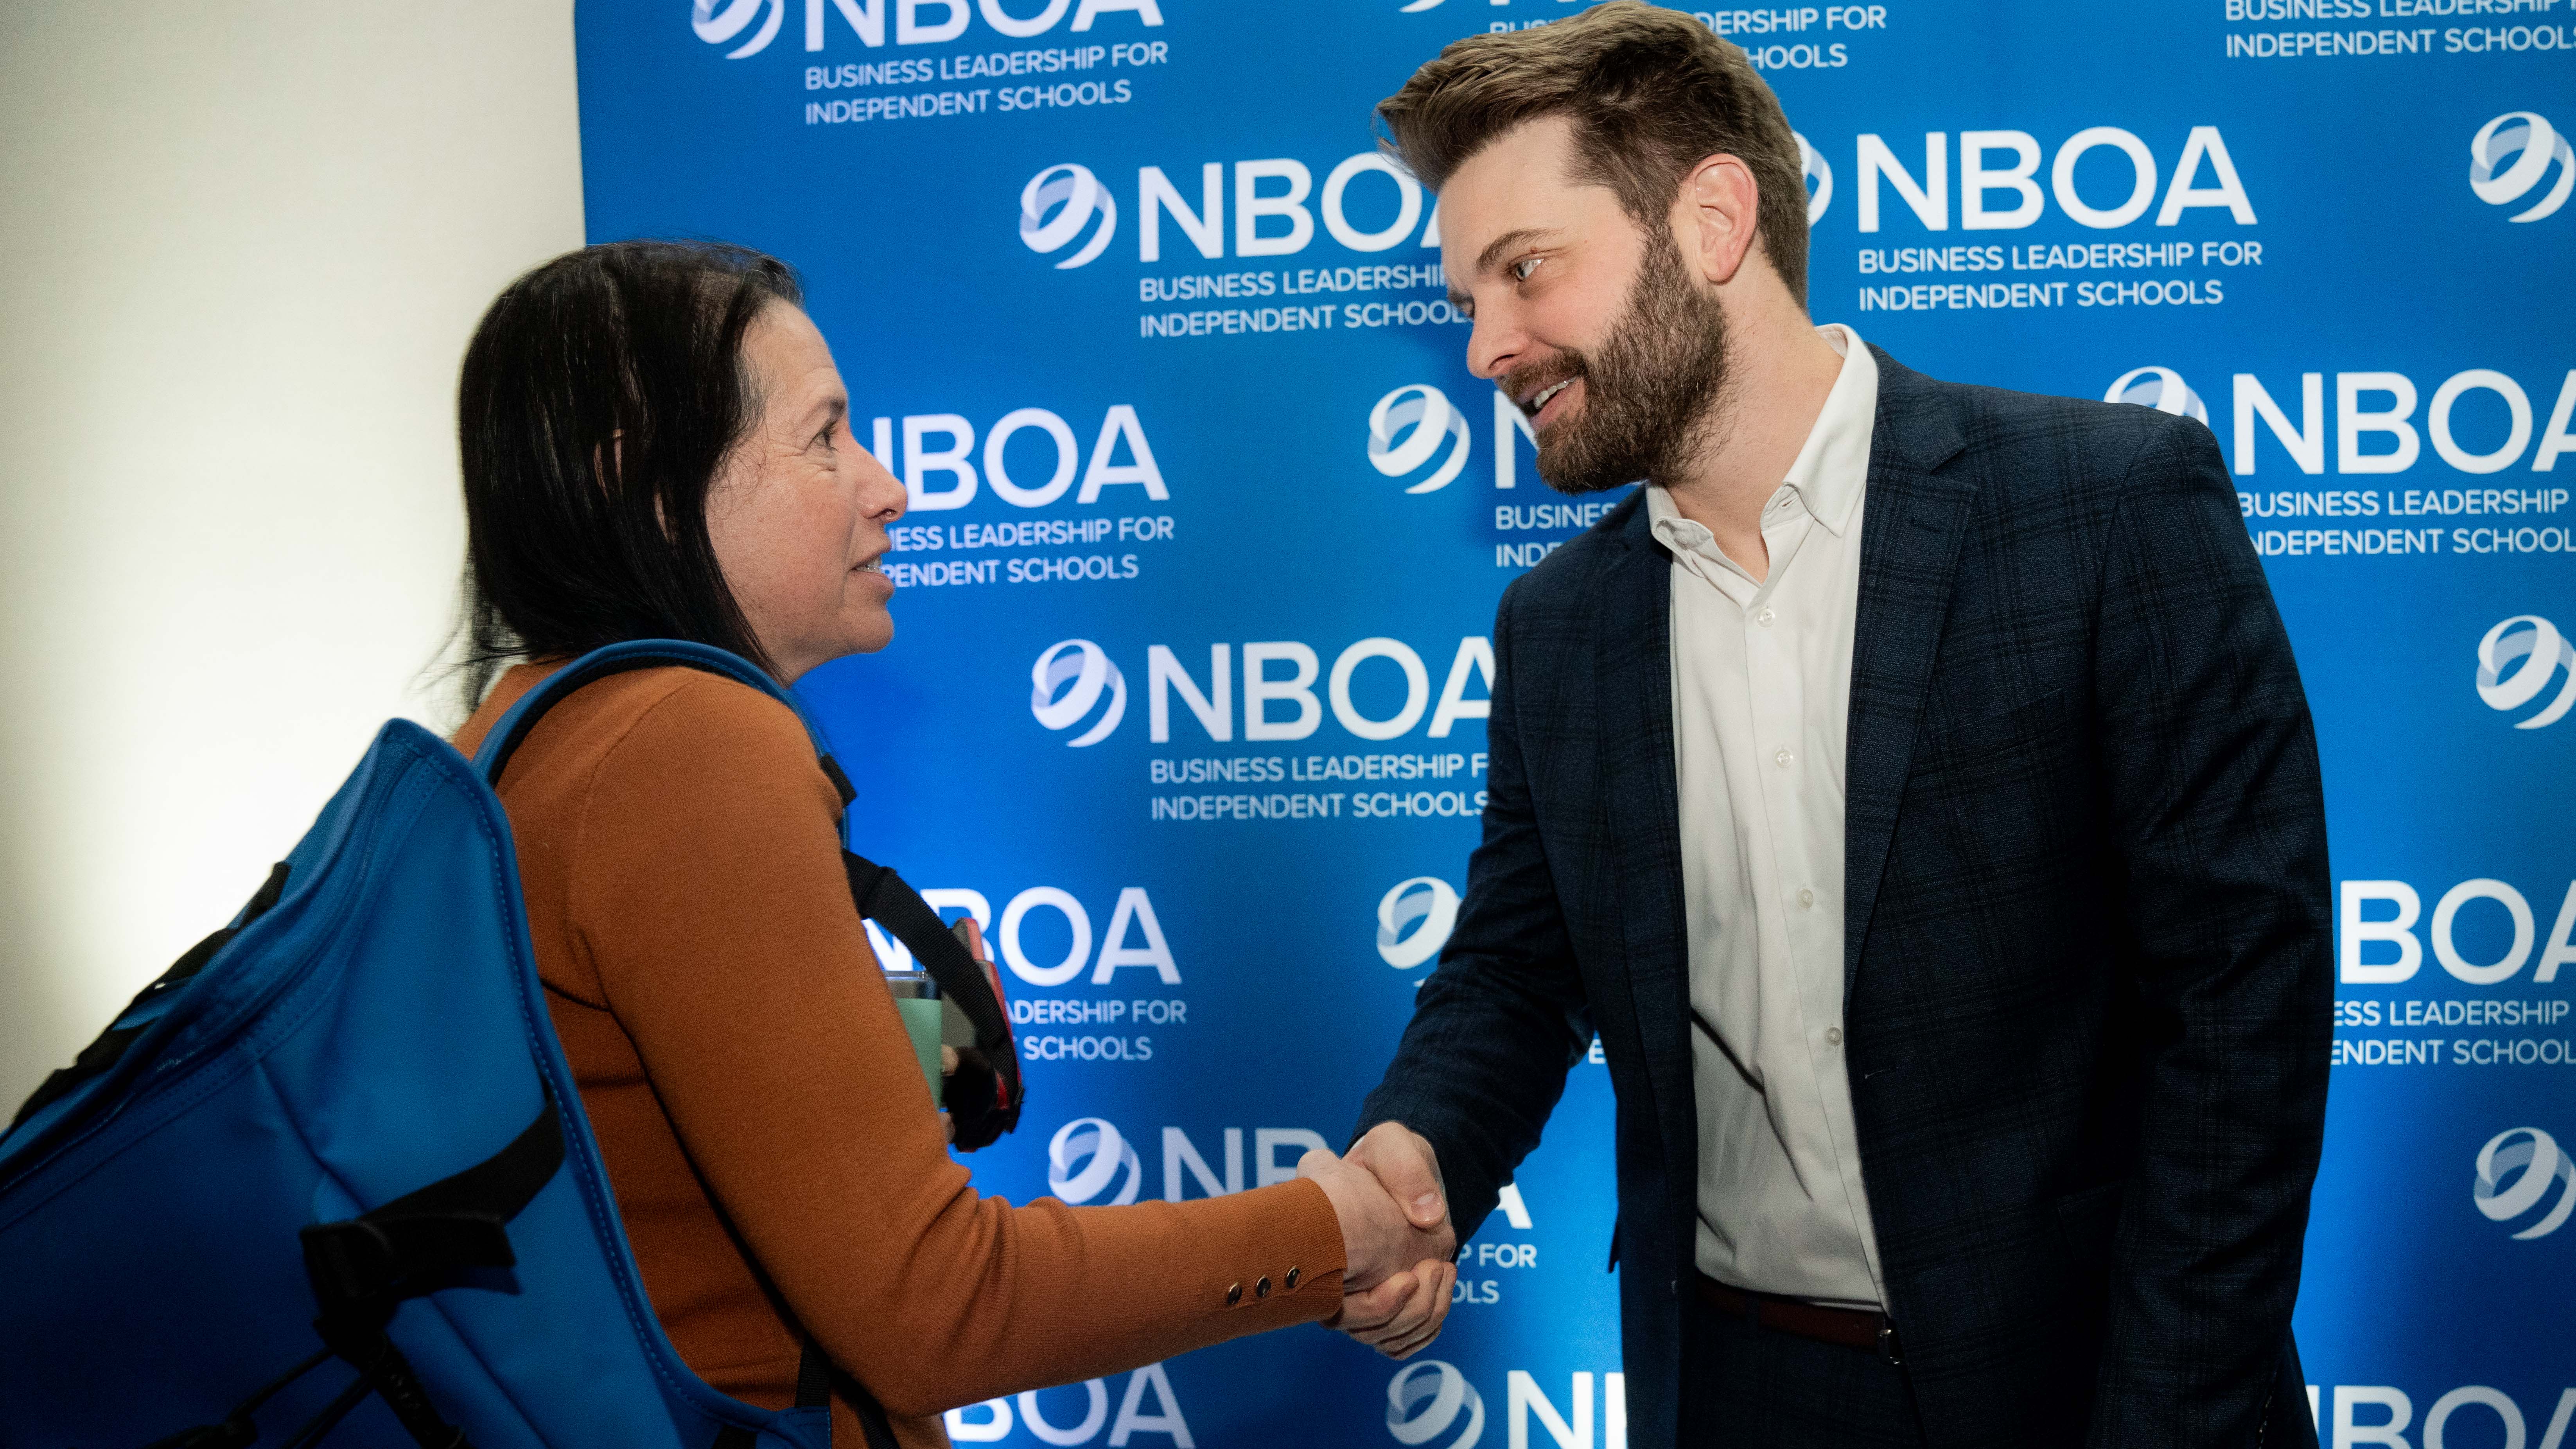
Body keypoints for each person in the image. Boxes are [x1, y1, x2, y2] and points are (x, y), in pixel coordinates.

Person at [1331, 6, 2334, 1446]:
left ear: (1714, 219)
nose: (1487, 344)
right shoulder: (1557, 626)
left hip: (2099, 1381)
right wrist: (1412, 1151)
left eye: (1522, 271)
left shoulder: (2102, 506)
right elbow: (1511, 967)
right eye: (1464, 300)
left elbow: (2245, 1005)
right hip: (1738, 1391)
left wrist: (2168, 1405)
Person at [445, 241, 1455, 1447]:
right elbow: (938, 1309)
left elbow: (672, 1141)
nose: (888, 486)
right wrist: (1325, 1228)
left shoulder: (523, 726)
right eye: (825, 437)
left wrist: (902, 1038)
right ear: (649, 485)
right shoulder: (687, 741)